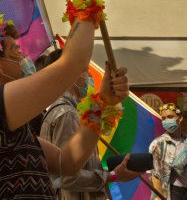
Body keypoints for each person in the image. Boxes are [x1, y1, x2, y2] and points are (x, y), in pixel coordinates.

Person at [0, 0, 136, 199]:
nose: (25, 59)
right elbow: (71, 64)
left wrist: (101, 103)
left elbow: (67, 161)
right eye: (15, 53)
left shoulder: (1, 123)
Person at [40, 49, 141, 200]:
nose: (89, 76)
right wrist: (112, 176)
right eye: (85, 70)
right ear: (68, 74)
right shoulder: (66, 114)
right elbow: (67, 177)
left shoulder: (68, 111)